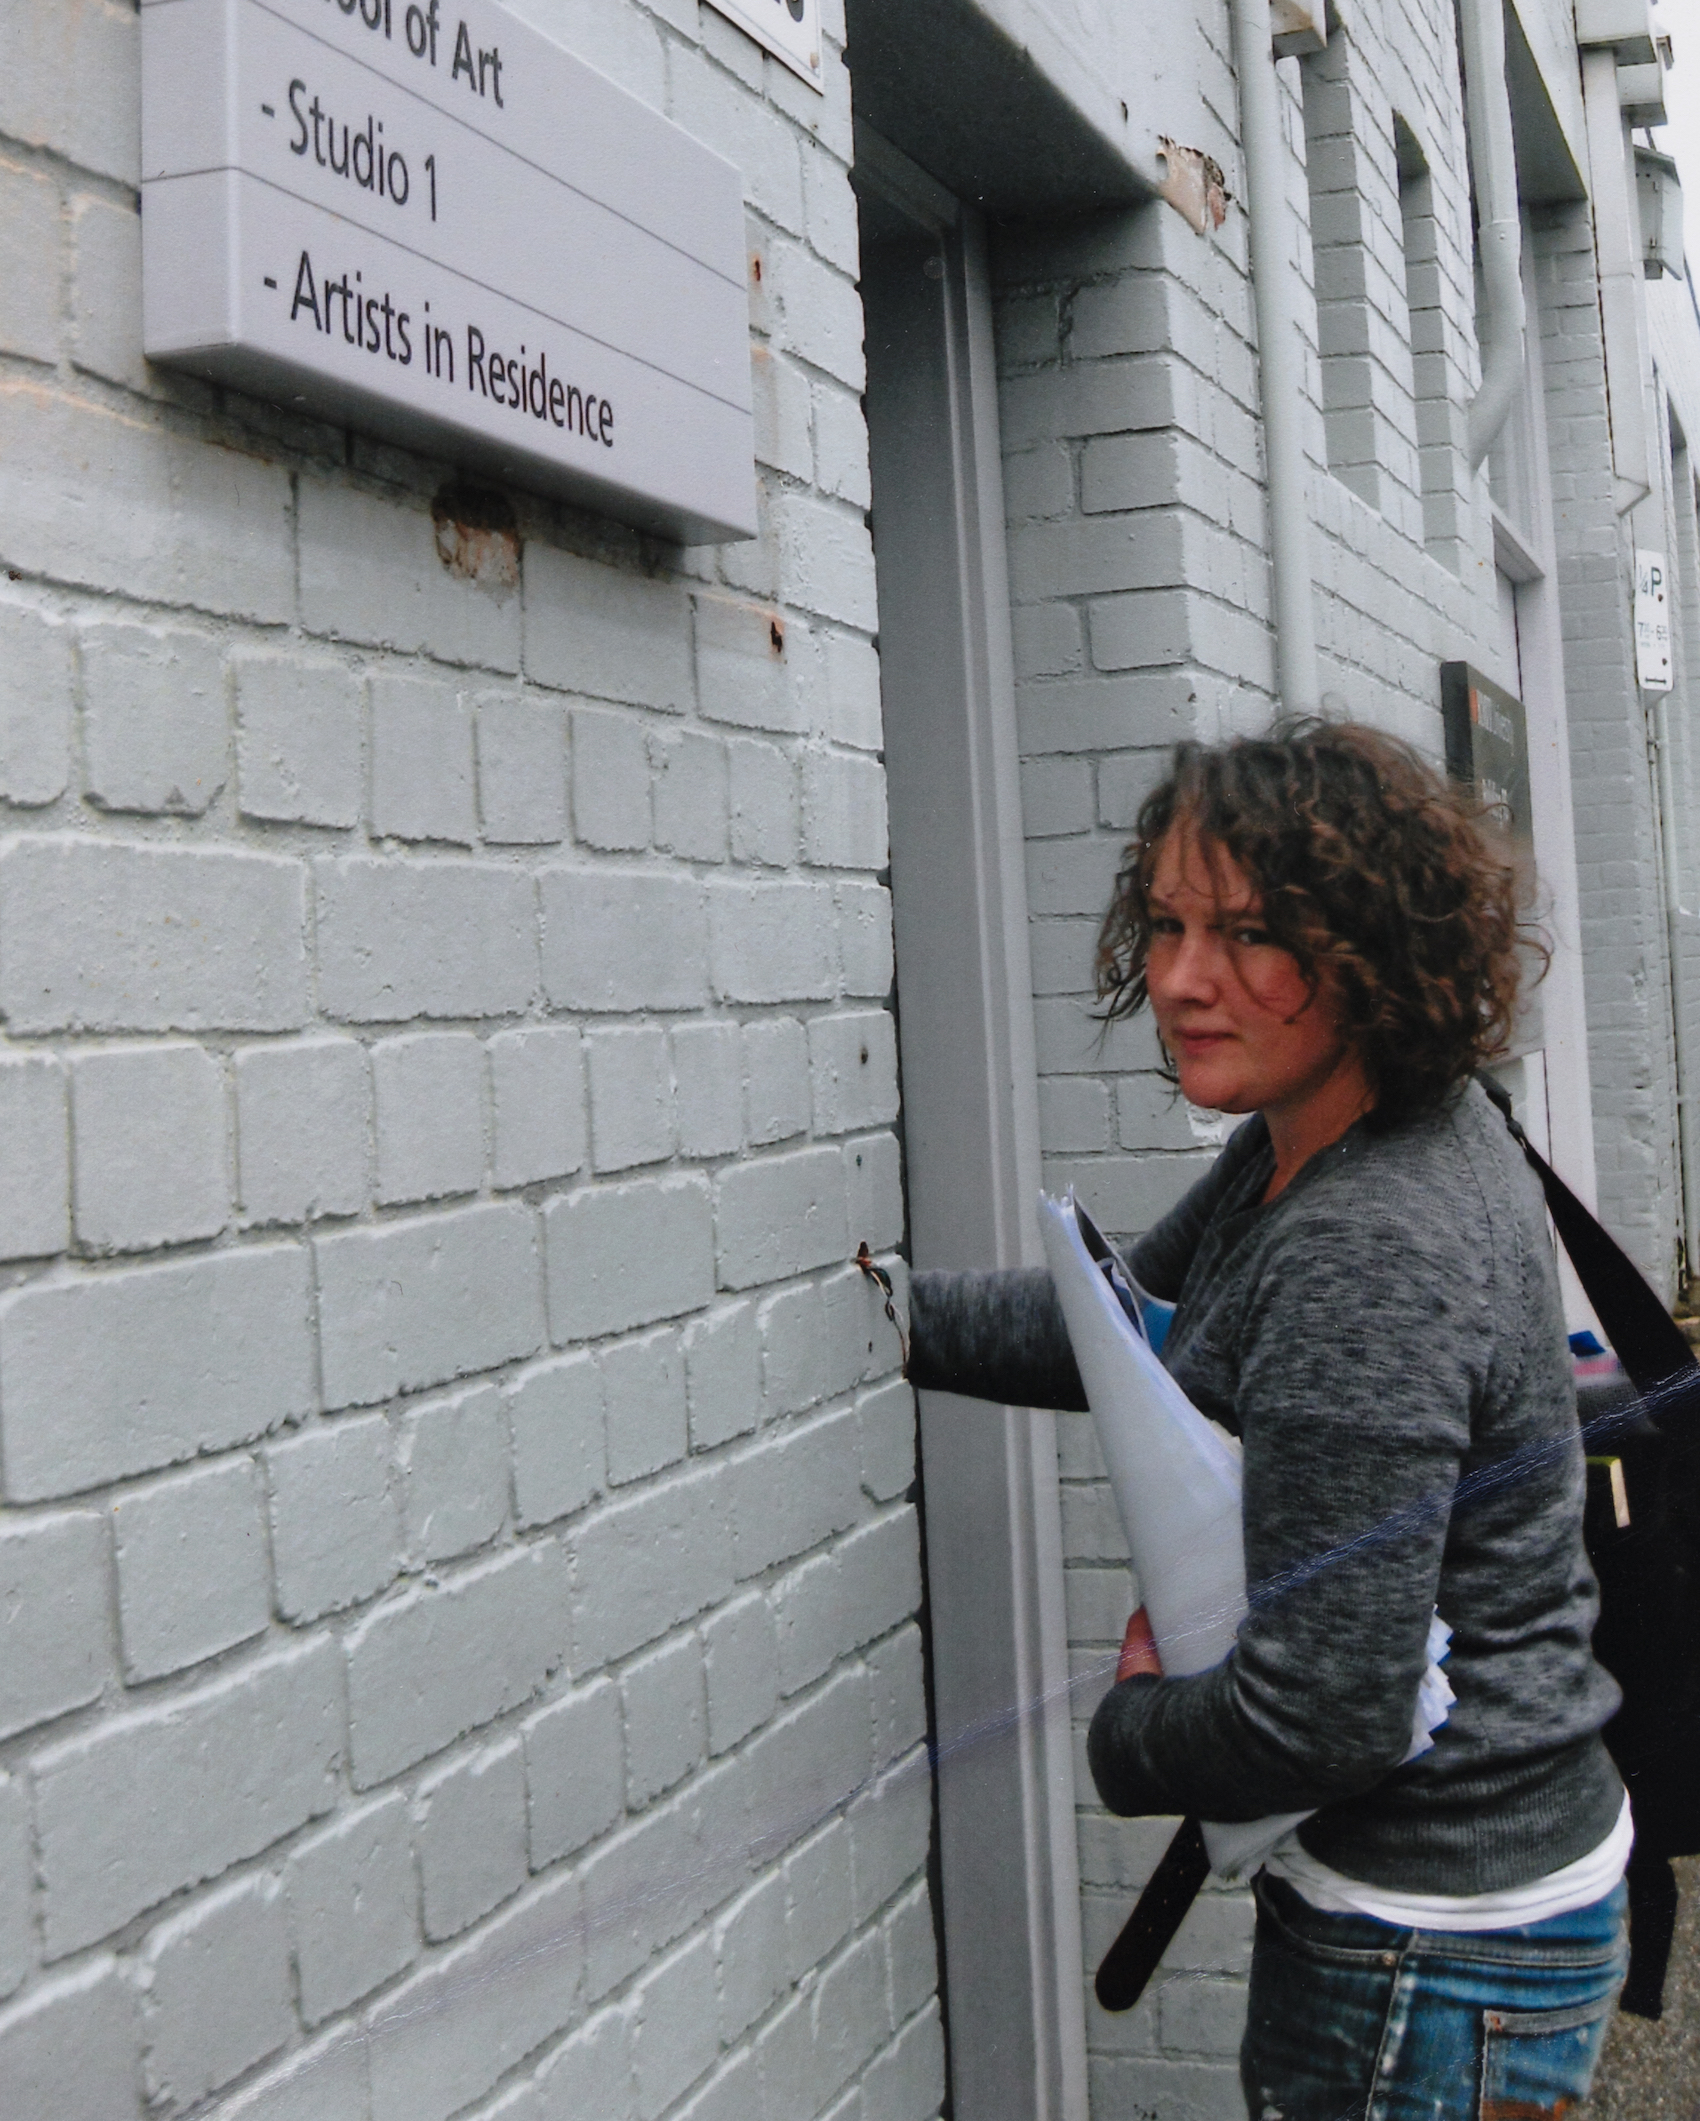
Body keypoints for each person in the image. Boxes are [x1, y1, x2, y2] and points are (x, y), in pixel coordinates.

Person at [908, 721, 1630, 2121]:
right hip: (1474, 1913)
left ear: (1370, 944)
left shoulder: (1364, 1242)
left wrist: (1128, 1731)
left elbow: (1325, 1716)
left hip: (1433, 1953)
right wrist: (888, 1318)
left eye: (1247, 933)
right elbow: (1135, 1325)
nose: (1180, 978)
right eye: (1167, 922)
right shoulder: (1334, 1128)